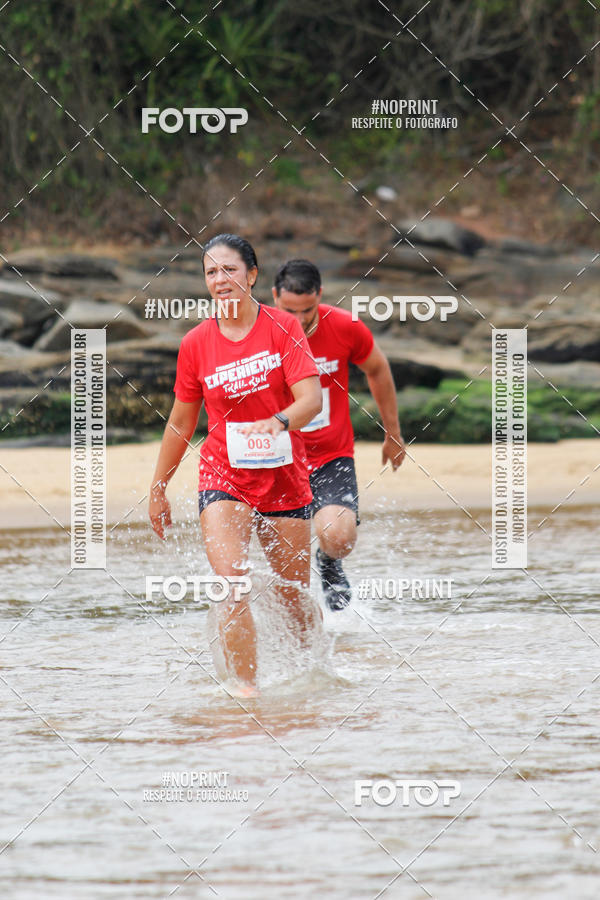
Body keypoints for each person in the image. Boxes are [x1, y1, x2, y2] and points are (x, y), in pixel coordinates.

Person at [149, 235, 322, 696]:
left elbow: (311, 399)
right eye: (210, 272)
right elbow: (181, 422)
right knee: (231, 585)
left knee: (292, 597)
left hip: (284, 477)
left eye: (228, 270)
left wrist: (279, 421)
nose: (219, 280)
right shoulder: (197, 343)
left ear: (251, 275)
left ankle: (312, 676)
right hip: (223, 476)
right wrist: (158, 487)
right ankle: (246, 692)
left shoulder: (283, 326)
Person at [272, 259, 405, 610]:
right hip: (275, 459)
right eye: (289, 310)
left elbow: (377, 368)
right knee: (282, 564)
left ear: (320, 296)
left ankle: (329, 562)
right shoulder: (257, 332)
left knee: (340, 538)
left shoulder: (346, 326)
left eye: (308, 310)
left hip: (331, 455)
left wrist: (392, 433)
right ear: (273, 297)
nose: (299, 321)